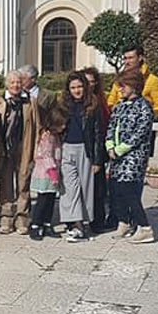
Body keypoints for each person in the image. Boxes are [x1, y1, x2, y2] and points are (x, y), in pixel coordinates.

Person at [106, 69, 156, 243]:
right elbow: (111, 126)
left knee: (129, 191)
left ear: (134, 86)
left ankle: (144, 227)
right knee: (115, 189)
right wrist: (110, 145)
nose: (120, 89)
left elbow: (140, 133)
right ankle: (124, 222)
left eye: (123, 85)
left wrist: (120, 149)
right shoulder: (120, 106)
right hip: (116, 156)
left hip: (134, 156)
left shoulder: (144, 106)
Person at [58, 71, 105, 242]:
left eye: (79, 87)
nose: (76, 90)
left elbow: (98, 133)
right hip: (67, 149)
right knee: (69, 187)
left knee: (85, 188)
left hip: (85, 151)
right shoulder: (63, 105)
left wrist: (97, 160)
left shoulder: (93, 106)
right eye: (73, 87)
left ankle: (81, 224)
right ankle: (73, 222)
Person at [0, 71, 40, 235]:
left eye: (18, 82)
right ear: (7, 84)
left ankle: (22, 218)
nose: (15, 85)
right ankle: (6, 217)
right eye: (12, 82)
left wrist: (36, 150)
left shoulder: (30, 102)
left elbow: (37, 127)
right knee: (5, 185)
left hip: (24, 148)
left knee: (23, 184)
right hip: (5, 149)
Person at [29, 107, 65, 240]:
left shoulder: (56, 136)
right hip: (46, 174)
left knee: (50, 200)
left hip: (54, 173)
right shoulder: (47, 136)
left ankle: (47, 223)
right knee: (42, 200)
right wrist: (52, 171)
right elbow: (45, 155)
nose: (63, 126)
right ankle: (35, 225)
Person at [83, 66, 112, 232]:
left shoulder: (99, 102)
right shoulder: (76, 101)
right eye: (86, 82)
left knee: (98, 188)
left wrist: (98, 157)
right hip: (81, 149)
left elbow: (101, 130)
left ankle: (98, 220)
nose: (89, 86)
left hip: (97, 150)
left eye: (92, 82)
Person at [107, 45, 158, 118]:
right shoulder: (120, 79)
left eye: (130, 58)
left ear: (140, 58)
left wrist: (144, 114)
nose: (127, 62)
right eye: (125, 58)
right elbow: (110, 102)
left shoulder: (152, 80)